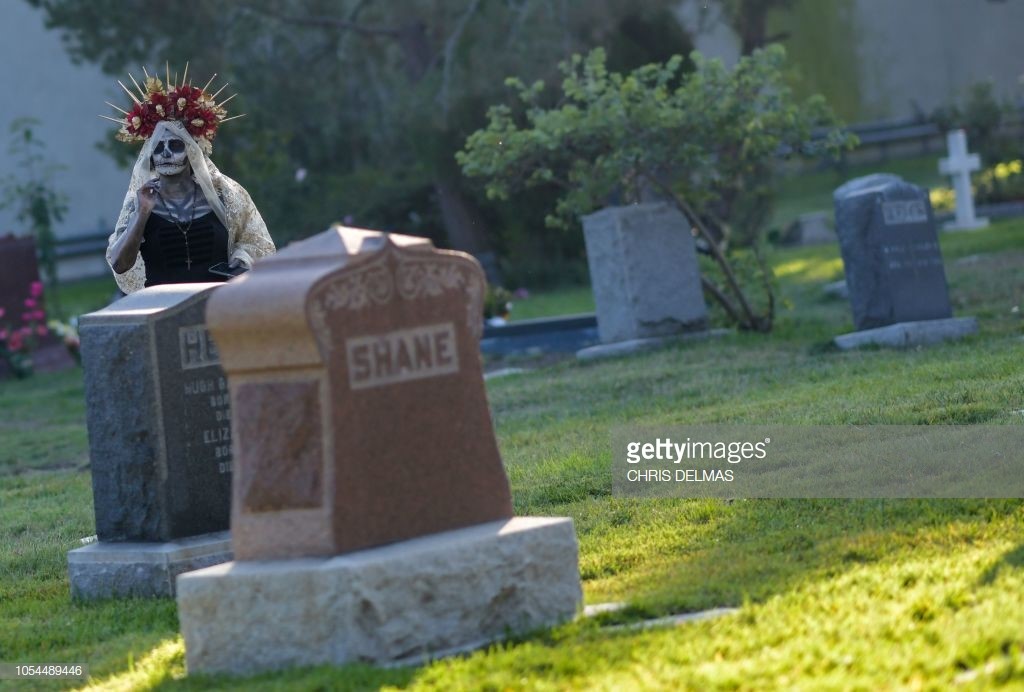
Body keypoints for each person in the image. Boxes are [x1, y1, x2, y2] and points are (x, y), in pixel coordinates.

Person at [104, 67, 275, 293]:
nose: (165, 153)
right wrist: (142, 213)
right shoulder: (140, 202)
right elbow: (119, 264)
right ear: (151, 158)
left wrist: (242, 259)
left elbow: (255, 241)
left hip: (218, 305)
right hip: (162, 309)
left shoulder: (225, 195)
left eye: (175, 145)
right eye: (158, 148)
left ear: (192, 151)